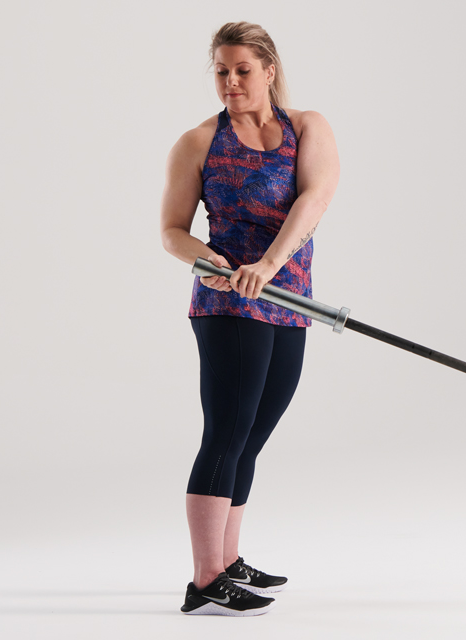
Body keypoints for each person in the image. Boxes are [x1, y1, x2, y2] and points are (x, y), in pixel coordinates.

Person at [160, 21, 339, 616]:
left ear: (268, 69)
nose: (230, 81)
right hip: (228, 301)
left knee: (252, 438)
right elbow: (171, 232)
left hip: (290, 299)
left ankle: (227, 557)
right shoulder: (198, 142)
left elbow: (314, 199)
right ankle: (206, 579)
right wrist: (208, 258)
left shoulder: (307, 127)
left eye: (241, 69)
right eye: (220, 70)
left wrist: (270, 263)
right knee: (227, 433)